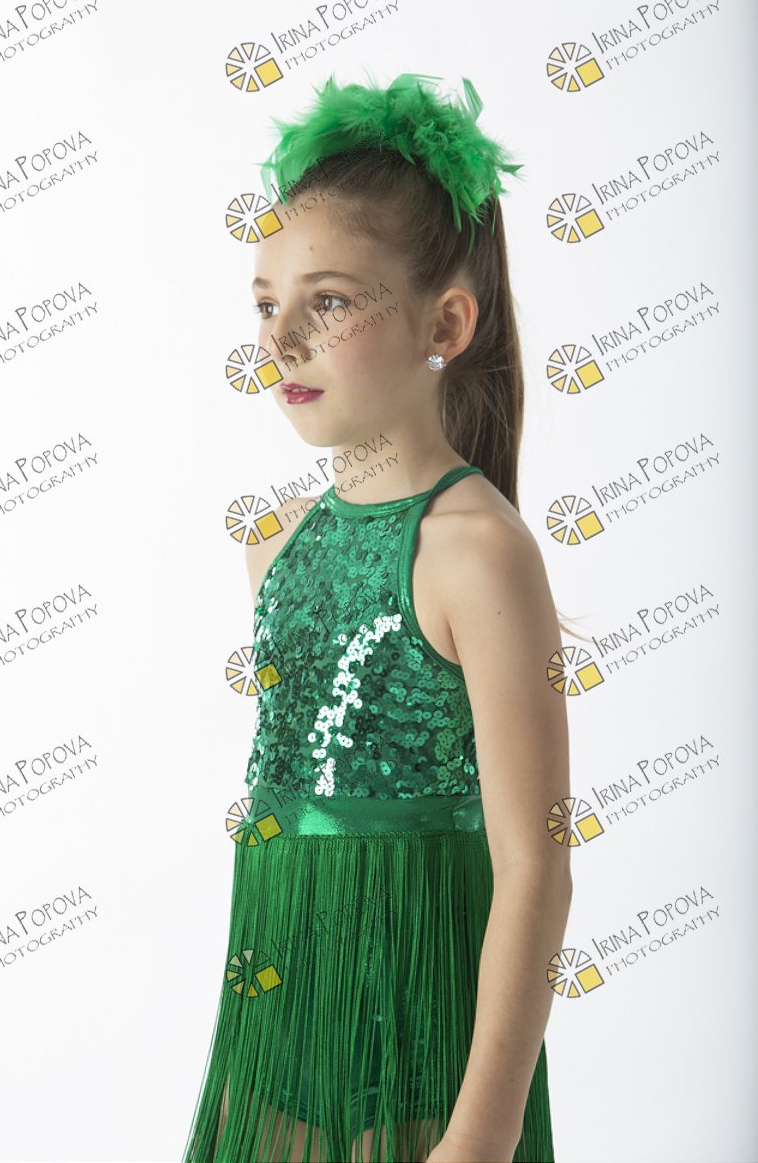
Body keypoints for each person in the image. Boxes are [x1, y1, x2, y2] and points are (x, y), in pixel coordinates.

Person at [183, 71, 573, 1163]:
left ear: (445, 321)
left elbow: (536, 864)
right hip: (279, 1003)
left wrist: (481, 1132)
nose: (281, 338)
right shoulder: (275, 544)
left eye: (328, 301)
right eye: (265, 303)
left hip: (420, 1007)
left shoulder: (476, 550)